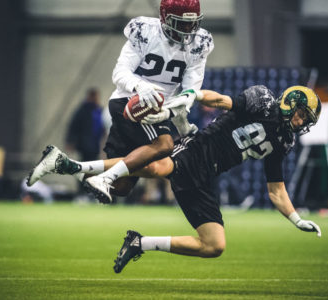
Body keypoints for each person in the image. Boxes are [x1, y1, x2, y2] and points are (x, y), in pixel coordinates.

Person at [26, 85, 323, 273]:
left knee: (214, 245)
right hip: (198, 149)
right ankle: (72, 166)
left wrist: (297, 220)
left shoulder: (284, 140)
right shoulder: (263, 101)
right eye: (300, 116)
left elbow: (276, 189)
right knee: (157, 167)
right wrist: (193, 95)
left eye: (305, 121)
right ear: (289, 103)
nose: (300, 123)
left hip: (207, 175)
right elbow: (221, 100)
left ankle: (139, 243)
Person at [26, 0, 214, 204]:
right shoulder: (145, 32)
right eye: (181, 23)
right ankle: (105, 177)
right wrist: (141, 87)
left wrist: (174, 115)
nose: (188, 30)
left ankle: (64, 165)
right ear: (165, 19)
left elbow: (190, 91)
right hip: (131, 101)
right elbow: (120, 72)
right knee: (164, 145)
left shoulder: (199, 43)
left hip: (160, 109)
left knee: (122, 187)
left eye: (192, 23)